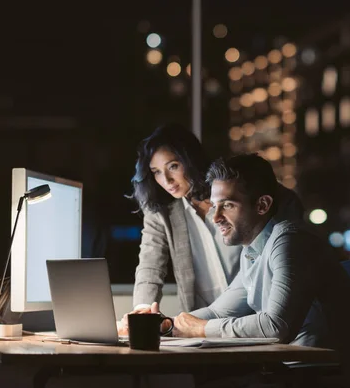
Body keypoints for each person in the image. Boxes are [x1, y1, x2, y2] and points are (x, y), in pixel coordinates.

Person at [156, 154, 350, 388]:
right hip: (284, 375)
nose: (215, 217)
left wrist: (200, 329)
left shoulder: (289, 241)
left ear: (263, 205)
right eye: (215, 206)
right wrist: (164, 325)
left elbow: (275, 327)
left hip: (319, 382)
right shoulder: (253, 249)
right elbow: (218, 312)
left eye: (228, 205)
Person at [127, 124, 304, 319]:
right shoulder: (162, 212)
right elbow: (150, 264)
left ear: (190, 160)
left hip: (257, 313)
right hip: (206, 319)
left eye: (173, 166)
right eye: (156, 172)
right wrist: (142, 308)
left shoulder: (230, 188)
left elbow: (286, 200)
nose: (166, 180)